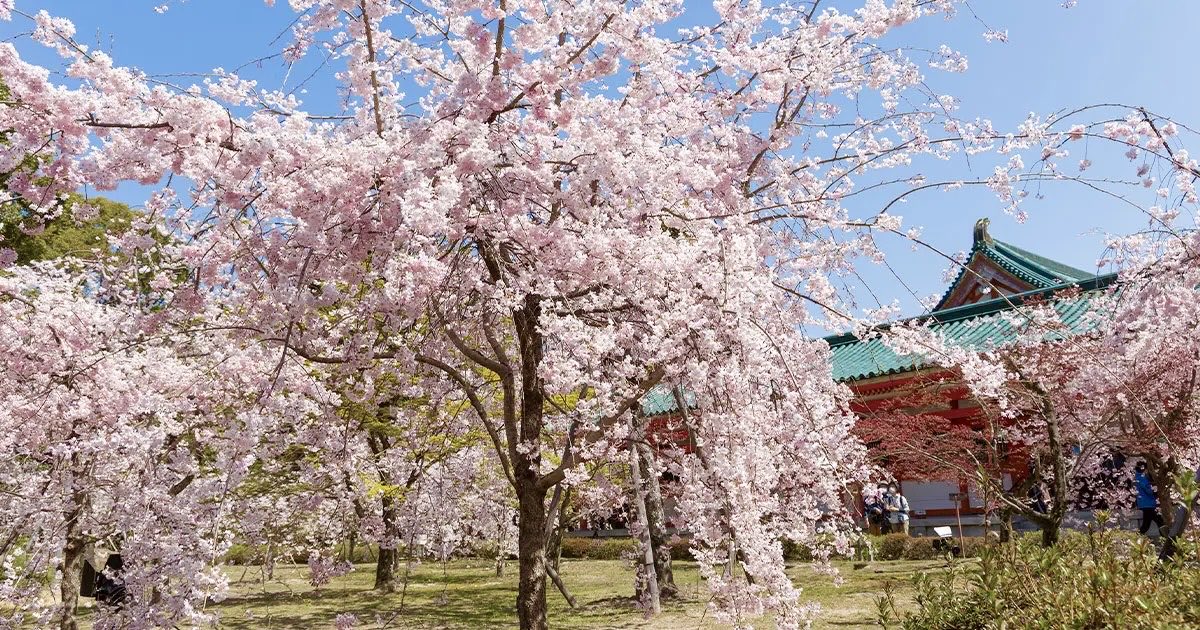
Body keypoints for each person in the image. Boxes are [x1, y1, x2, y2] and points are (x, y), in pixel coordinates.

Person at [1135, 462, 1164, 536]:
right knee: (1159, 521)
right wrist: (1156, 490)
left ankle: (1138, 537)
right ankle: (1165, 537)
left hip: (1144, 504)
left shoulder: (1137, 477)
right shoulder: (1142, 478)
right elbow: (1148, 490)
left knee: (1147, 524)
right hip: (1148, 503)